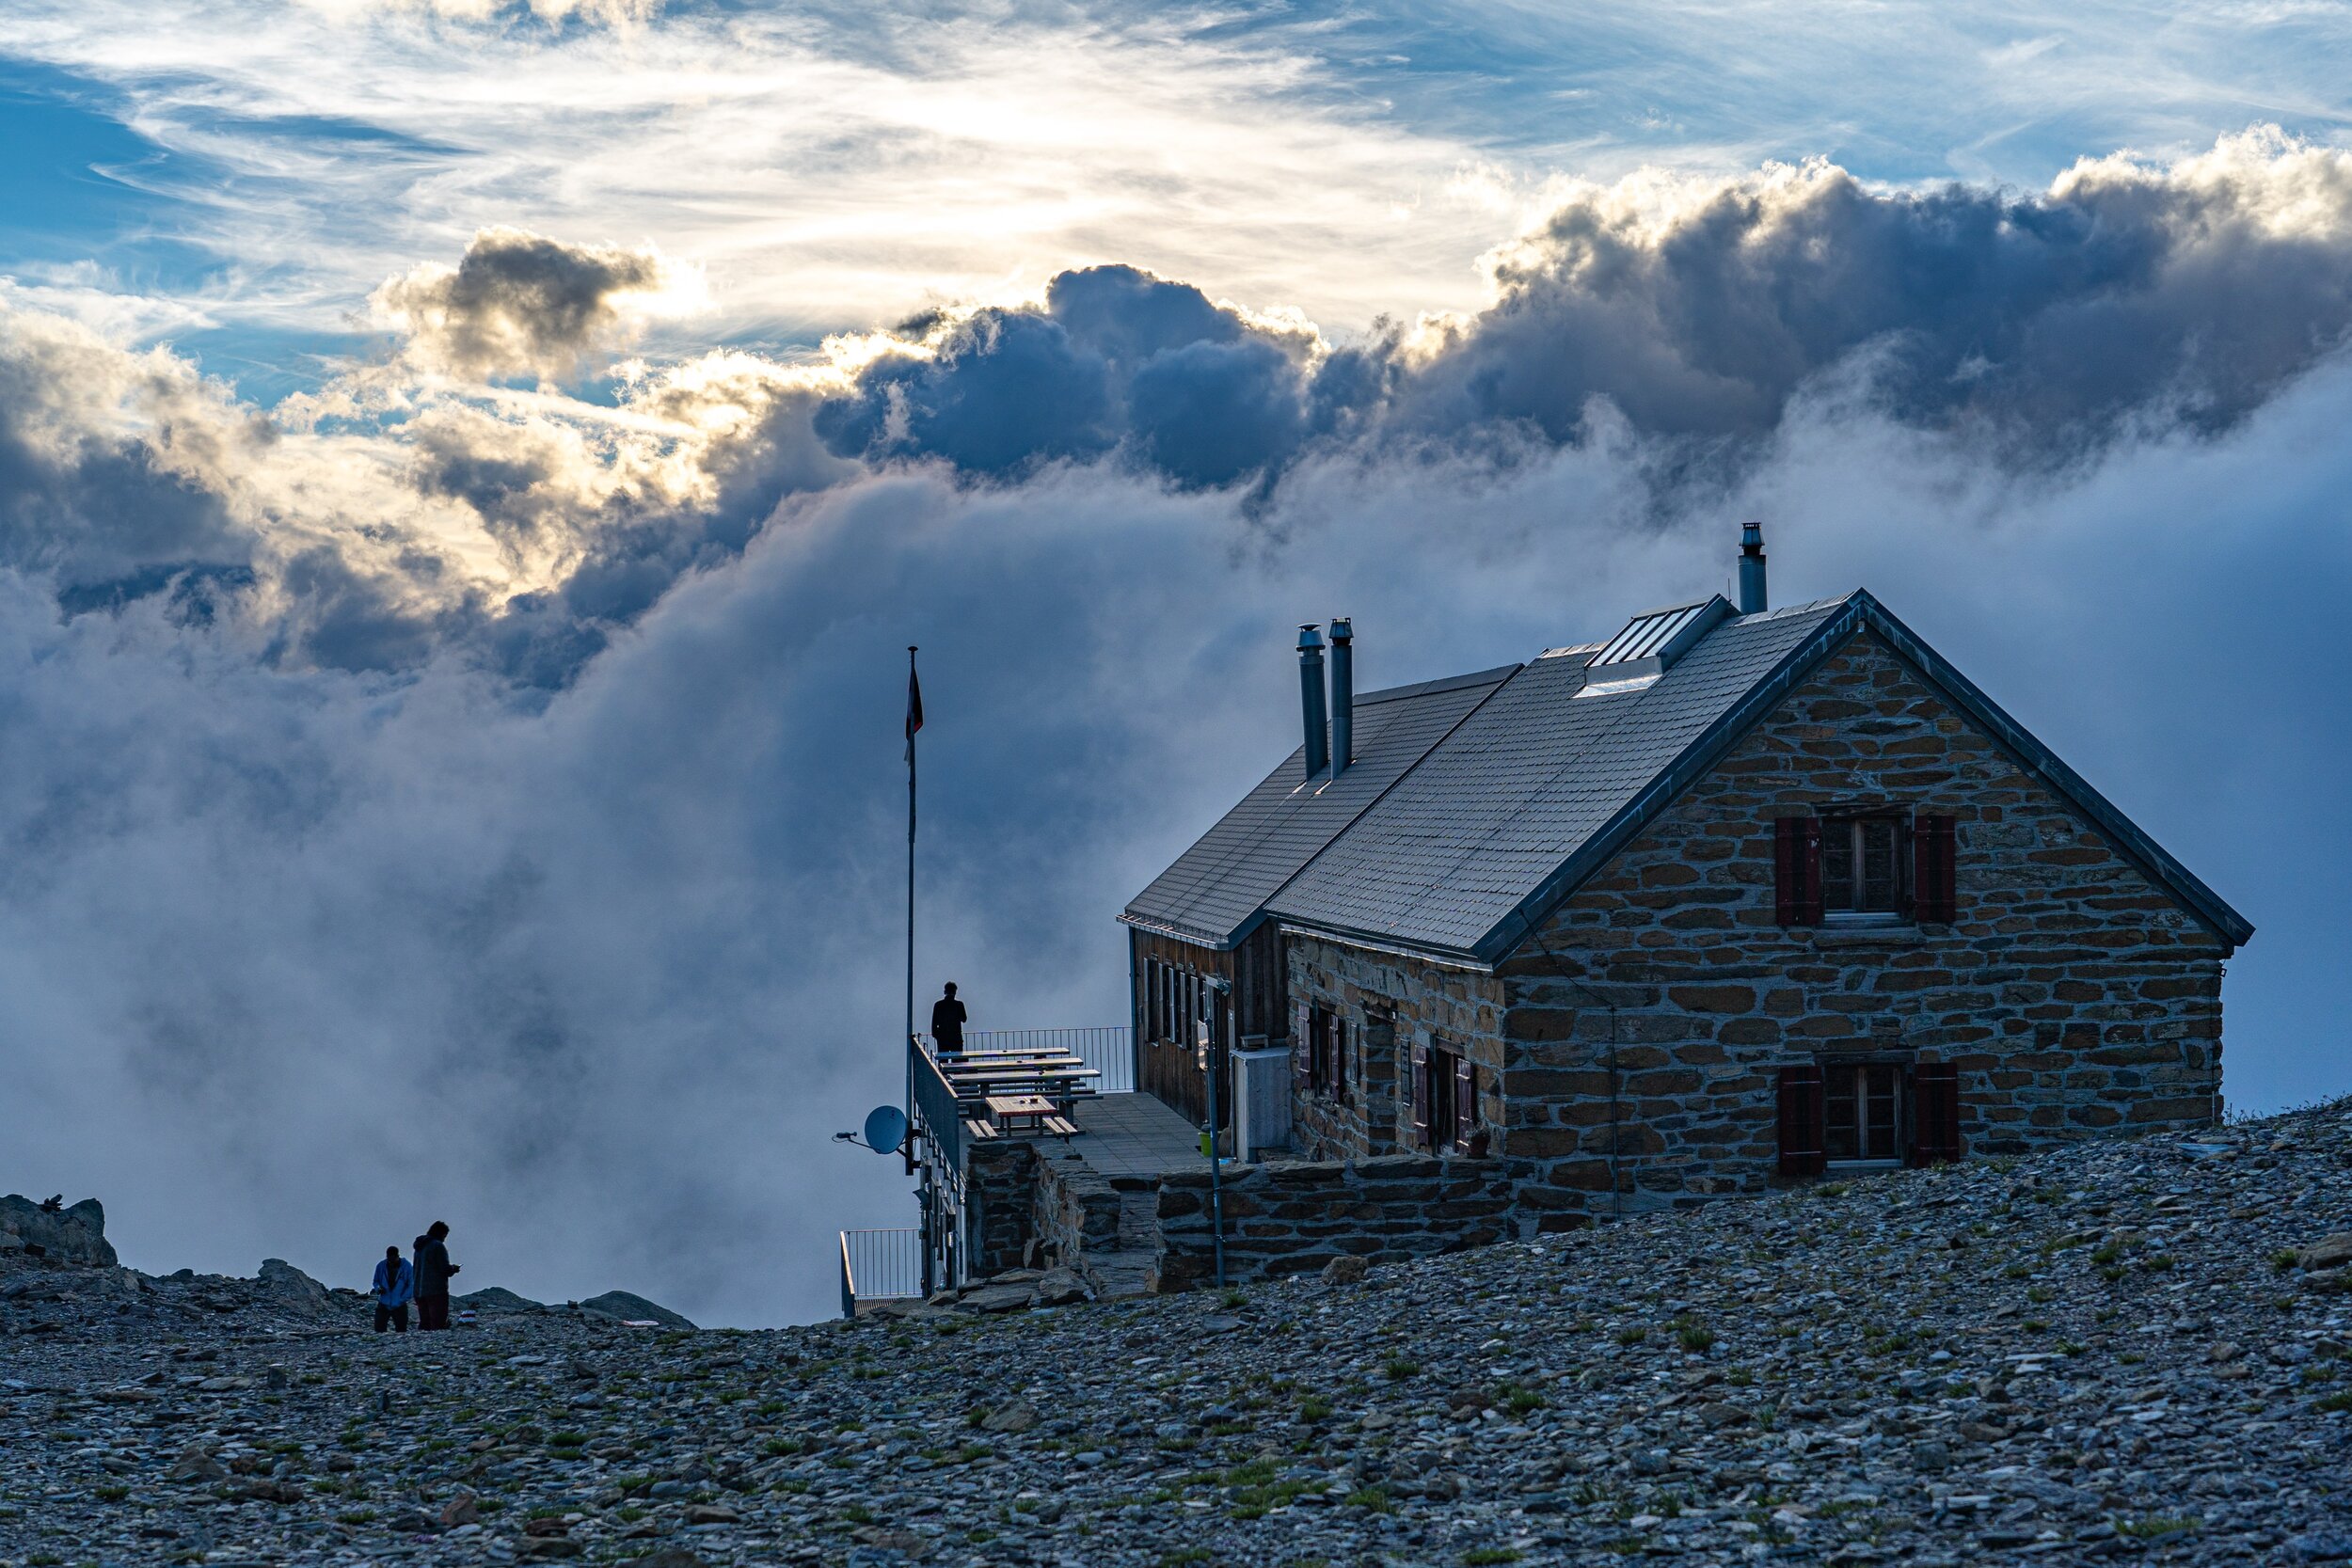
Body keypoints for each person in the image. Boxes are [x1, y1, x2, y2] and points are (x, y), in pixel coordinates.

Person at [412, 1221, 459, 1331]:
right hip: (436, 1291)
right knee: (437, 1323)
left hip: (419, 1290)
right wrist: (453, 1268)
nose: (444, 1239)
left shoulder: (419, 1247)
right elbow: (444, 1268)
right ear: (441, 1233)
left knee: (425, 1323)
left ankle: (422, 1341)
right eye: (444, 1236)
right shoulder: (438, 1246)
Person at [371, 1244, 414, 1333]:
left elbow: (411, 1285)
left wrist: (403, 1299)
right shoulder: (381, 1266)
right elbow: (376, 1281)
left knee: (402, 1330)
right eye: (389, 1259)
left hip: (399, 1304)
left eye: (393, 1259)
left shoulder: (407, 1266)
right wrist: (378, 1288)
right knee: (379, 1330)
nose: (391, 1262)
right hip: (384, 1302)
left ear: (397, 1256)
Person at [930, 982, 968, 1057]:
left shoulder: (938, 1005)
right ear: (955, 992)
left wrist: (936, 1035)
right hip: (956, 1038)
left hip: (942, 1038)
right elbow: (964, 1019)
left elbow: (934, 1022)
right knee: (958, 1061)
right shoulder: (959, 1004)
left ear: (945, 991)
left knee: (943, 1061)